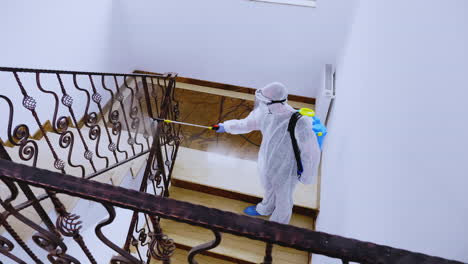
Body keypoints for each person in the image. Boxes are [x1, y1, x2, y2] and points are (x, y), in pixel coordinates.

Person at [216, 82, 321, 224]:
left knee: (283, 197)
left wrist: (307, 175)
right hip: (267, 158)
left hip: (287, 165)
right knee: (268, 186)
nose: (261, 103)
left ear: (276, 101)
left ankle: (277, 226)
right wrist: (226, 126)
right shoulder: (265, 112)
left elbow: (310, 152)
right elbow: (248, 124)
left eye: (264, 100)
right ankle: (265, 208)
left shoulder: (299, 121)